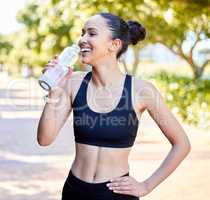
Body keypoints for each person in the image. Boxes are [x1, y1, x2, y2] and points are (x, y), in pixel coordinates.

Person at [37, 12, 191, 200]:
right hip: (74, 191)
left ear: (114, 44)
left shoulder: (142, 91)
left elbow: (182, 144)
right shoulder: (72, 84)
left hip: (116, 194)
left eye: (91, 34)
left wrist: (146, 186)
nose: (82, 39)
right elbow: (44, 139)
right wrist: (54, 91)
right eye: (82, 33)